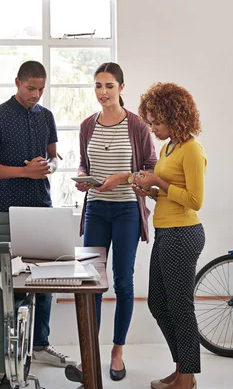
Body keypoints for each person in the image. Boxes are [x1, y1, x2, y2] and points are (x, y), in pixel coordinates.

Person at [0, 60, 75, 368]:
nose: (36, 95)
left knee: (48, 281)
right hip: (8, 211)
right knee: (14, 283)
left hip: (43, 207)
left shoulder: (47, 116)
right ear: (17, 82)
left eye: (41, 89)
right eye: (31, 88)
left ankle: (41, 345)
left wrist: (49, 167)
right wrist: (23, 172)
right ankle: (10, 349)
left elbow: (54, 156)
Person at [64, 62, 157, 383]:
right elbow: (83, 163)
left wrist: (124, 179)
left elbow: (151, 168)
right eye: (98, 86)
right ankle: (90, 354)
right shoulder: (87, 125)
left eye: (109, 86)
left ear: (121, 87)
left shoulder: (138, 126)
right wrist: (81, 179)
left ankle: (117, 351)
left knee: (123, 281)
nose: (102, 92)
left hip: (128, 211)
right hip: (96, 211)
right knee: (90, 284)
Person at [133, 82, 206, 389]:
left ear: (175, 117)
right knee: (158, 304)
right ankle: (181, 369)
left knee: (180, 306)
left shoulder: (191, 149)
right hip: (166, 231)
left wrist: (159, 185)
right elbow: (168, 193)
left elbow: (195, 200)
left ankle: (187, 378)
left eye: (157, 122)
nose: (152, 128)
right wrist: (149, 190)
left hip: (183, 233)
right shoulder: (168, 148)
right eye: (150, 122)